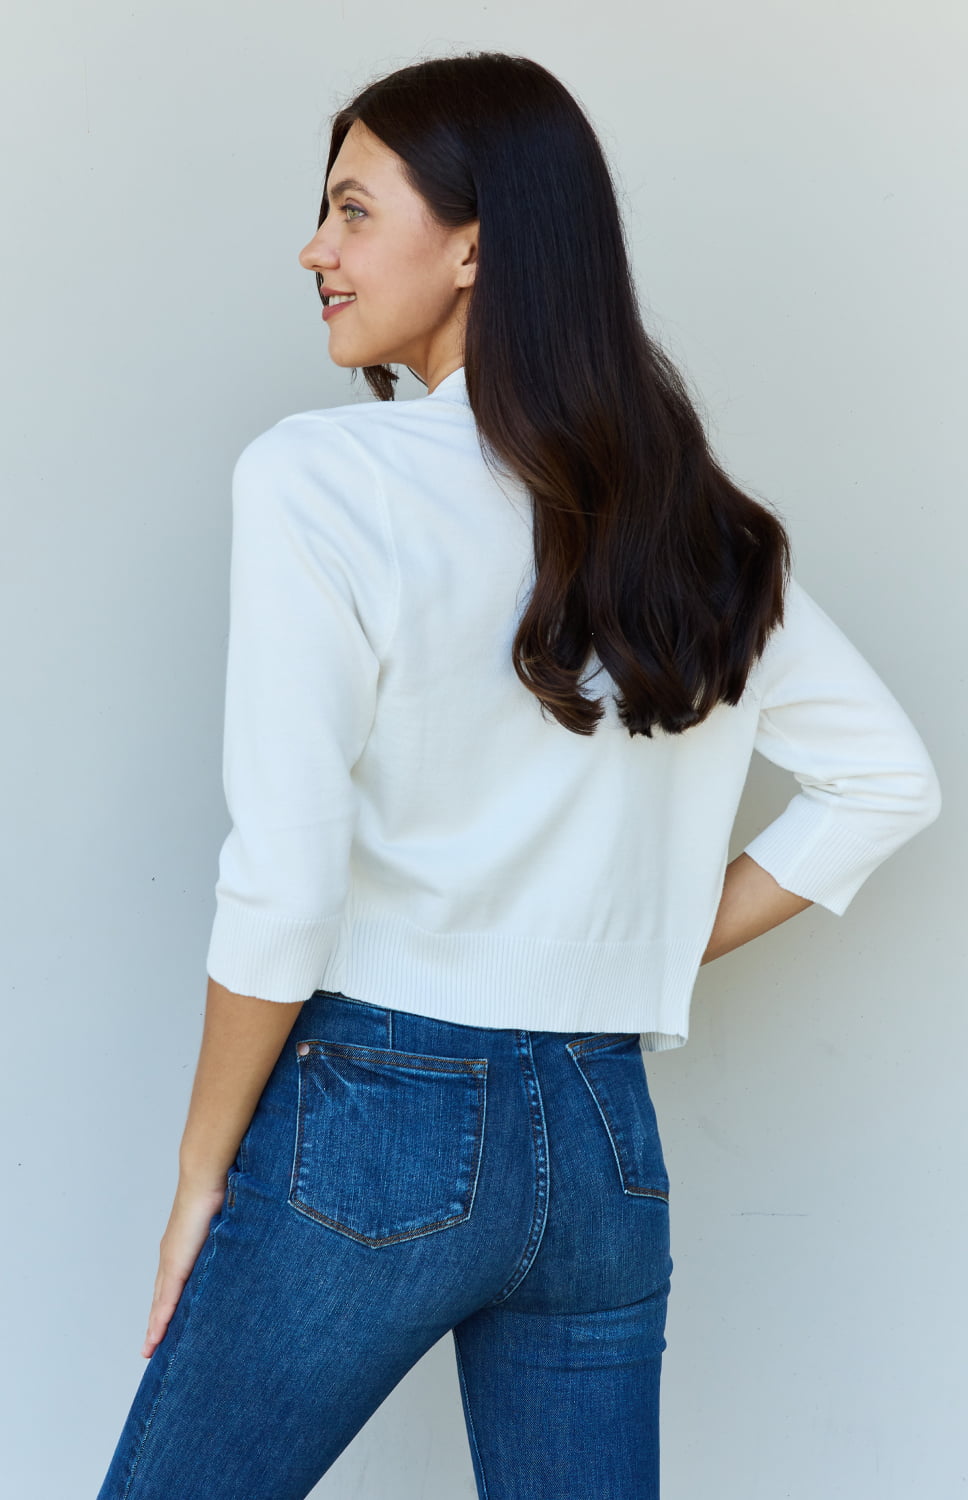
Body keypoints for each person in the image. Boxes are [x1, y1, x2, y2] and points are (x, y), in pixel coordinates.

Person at [95, 51, 941, 1500]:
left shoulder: (320, 480)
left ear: (475, 242)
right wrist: (644, 943)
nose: (317, 249)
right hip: (605, 1139)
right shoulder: (691, 521)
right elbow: (888, 781)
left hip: (380, 1123)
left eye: (355, 211)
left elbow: (283, 883)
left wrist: (196, 1185)